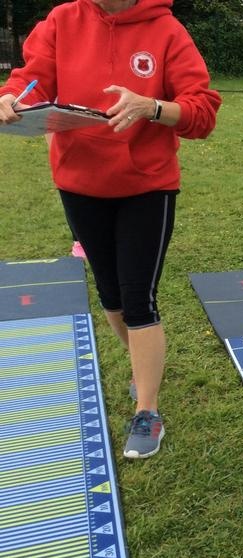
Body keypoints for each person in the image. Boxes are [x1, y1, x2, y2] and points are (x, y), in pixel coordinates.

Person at [0, 0, 221, 459]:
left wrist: (152, 107)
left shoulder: (167, 31)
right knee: (111, 296)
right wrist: (12, 97)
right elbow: (31, 78)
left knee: (138, 298)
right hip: (79, 184)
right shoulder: (63, 20)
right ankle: (142, 370)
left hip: (147, 188)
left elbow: (202, 112)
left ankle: (147, 411)